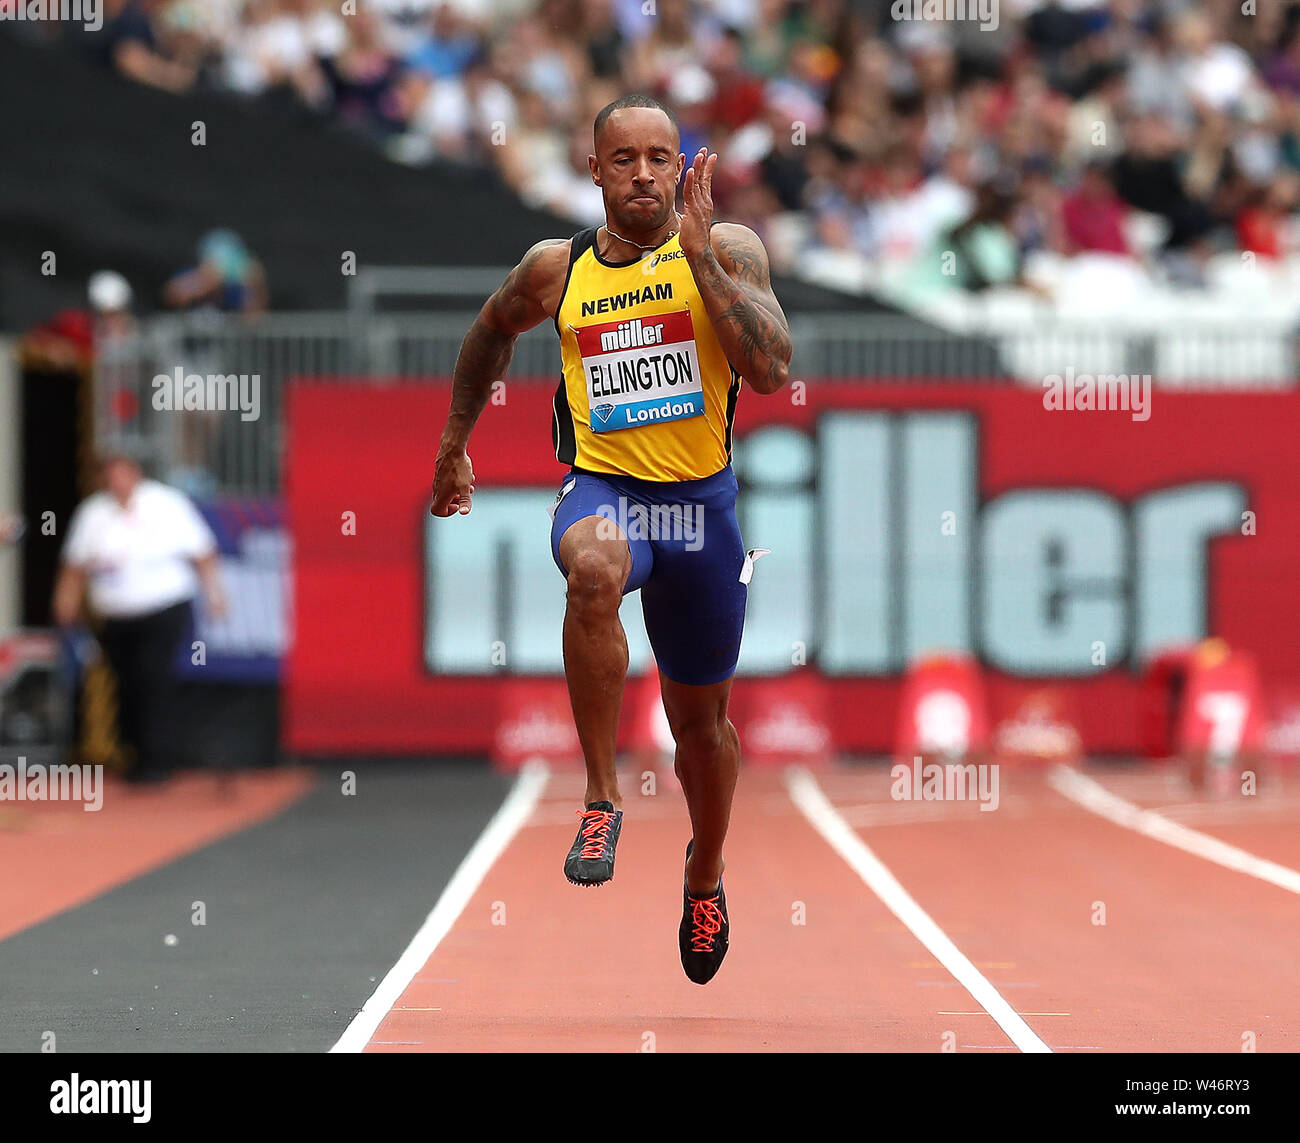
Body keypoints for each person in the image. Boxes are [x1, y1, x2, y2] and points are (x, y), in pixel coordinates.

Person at [430, 94, 791, 984]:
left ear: (682, 166)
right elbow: (487, 334)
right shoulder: (556, 271)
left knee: (700, 726)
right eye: (622, 158)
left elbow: (774, 370)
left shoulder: (730, 247)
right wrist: (453, 448)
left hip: (699, 511)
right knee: (591, 570)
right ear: (593, 170)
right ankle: (599, 796)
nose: (641, 174)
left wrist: (702, 260)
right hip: (609, 490)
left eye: (658, 158)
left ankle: (704, 870)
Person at [51, 448, 228, 784]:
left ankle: (158, 760)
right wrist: (66, 602)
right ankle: (134, 756)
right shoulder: (93, 513)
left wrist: (215, 594)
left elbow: (203, 552)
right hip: (116, 615)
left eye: (119, 471)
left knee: (153, 678)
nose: (113, 479)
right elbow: (74, 566)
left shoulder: (167, 504)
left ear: (135, 472)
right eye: (107, 473)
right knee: (125, 681)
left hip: (163, 608)